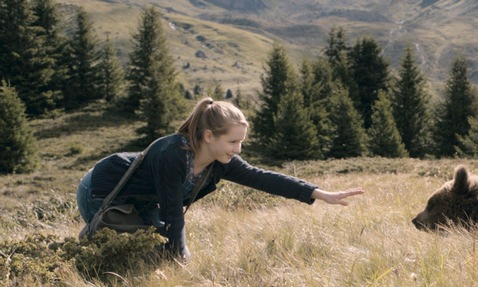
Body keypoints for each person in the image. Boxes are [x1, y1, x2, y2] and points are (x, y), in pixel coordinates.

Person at [77, 97, 364, 261]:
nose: (237, 150)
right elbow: (172, 215)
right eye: (233, 142)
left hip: (142, 201)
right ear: (209, 136)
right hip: (103, 191)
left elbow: (262, 178)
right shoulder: (174, 154)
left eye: (241, 143)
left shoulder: (220, 162)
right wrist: (180, 259)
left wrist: (318, 193)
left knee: (155, 255)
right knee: (134, 256)